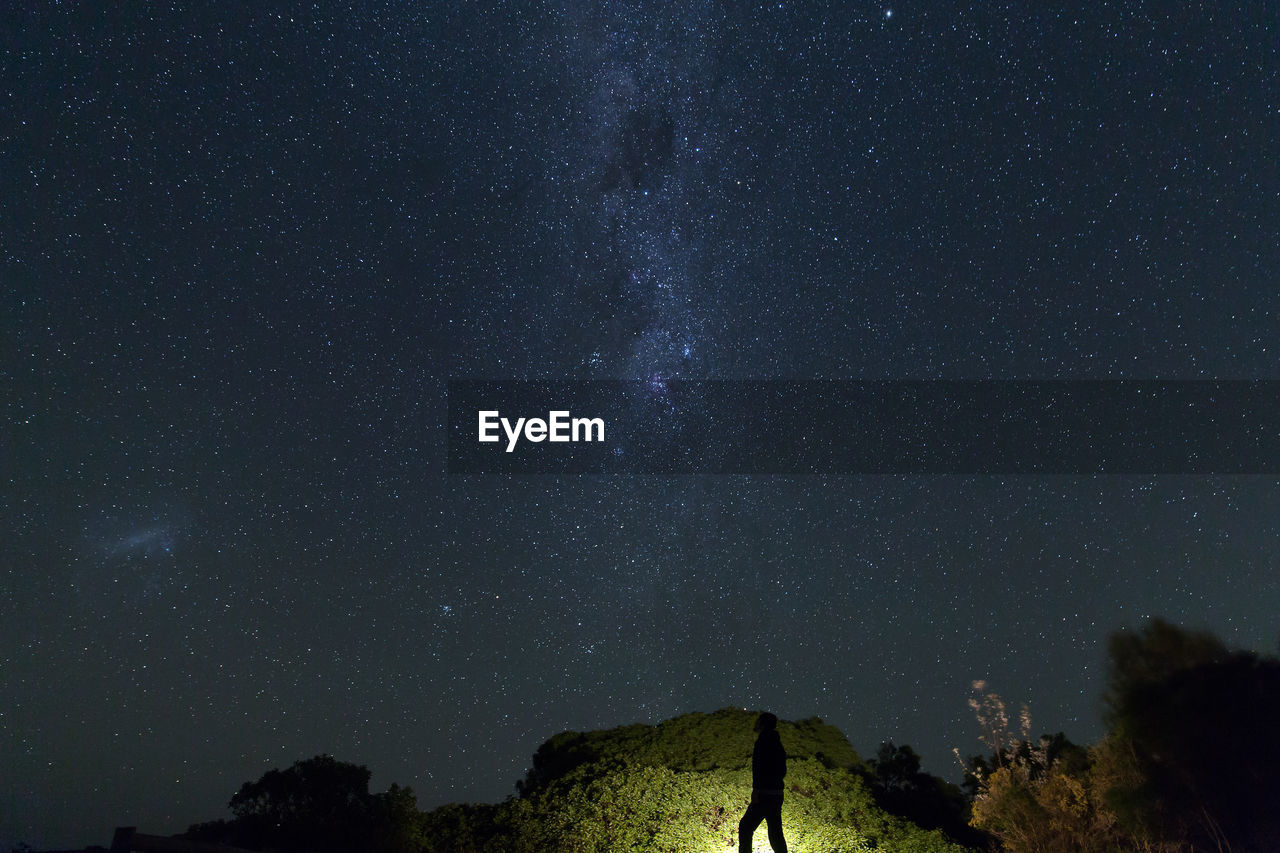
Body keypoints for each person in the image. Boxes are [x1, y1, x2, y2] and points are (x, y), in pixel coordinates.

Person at [739, 711, 787, 853]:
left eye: (758, 720)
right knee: (775, 833)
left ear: (762, 723)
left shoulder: (763, 740)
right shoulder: (777, 742)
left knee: (745, 827)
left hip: (765, 794)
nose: (756, 722)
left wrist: (757, 790)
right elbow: (782, 769)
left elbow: (760, 767)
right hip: (777, 794)